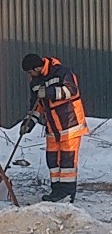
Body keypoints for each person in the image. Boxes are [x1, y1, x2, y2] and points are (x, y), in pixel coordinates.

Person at [19, 54, 87, 203]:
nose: (29, 76)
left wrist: (49, 93)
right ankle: (56, 191)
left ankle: (67, 193)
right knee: (52, 160)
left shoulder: (61, 72)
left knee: (67, 161)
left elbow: (72, 90)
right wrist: (28, 123)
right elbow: (37, 106)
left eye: (30, 72)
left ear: (37, 68)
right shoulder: (35, 81)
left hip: (70, 125)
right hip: (53, 128)